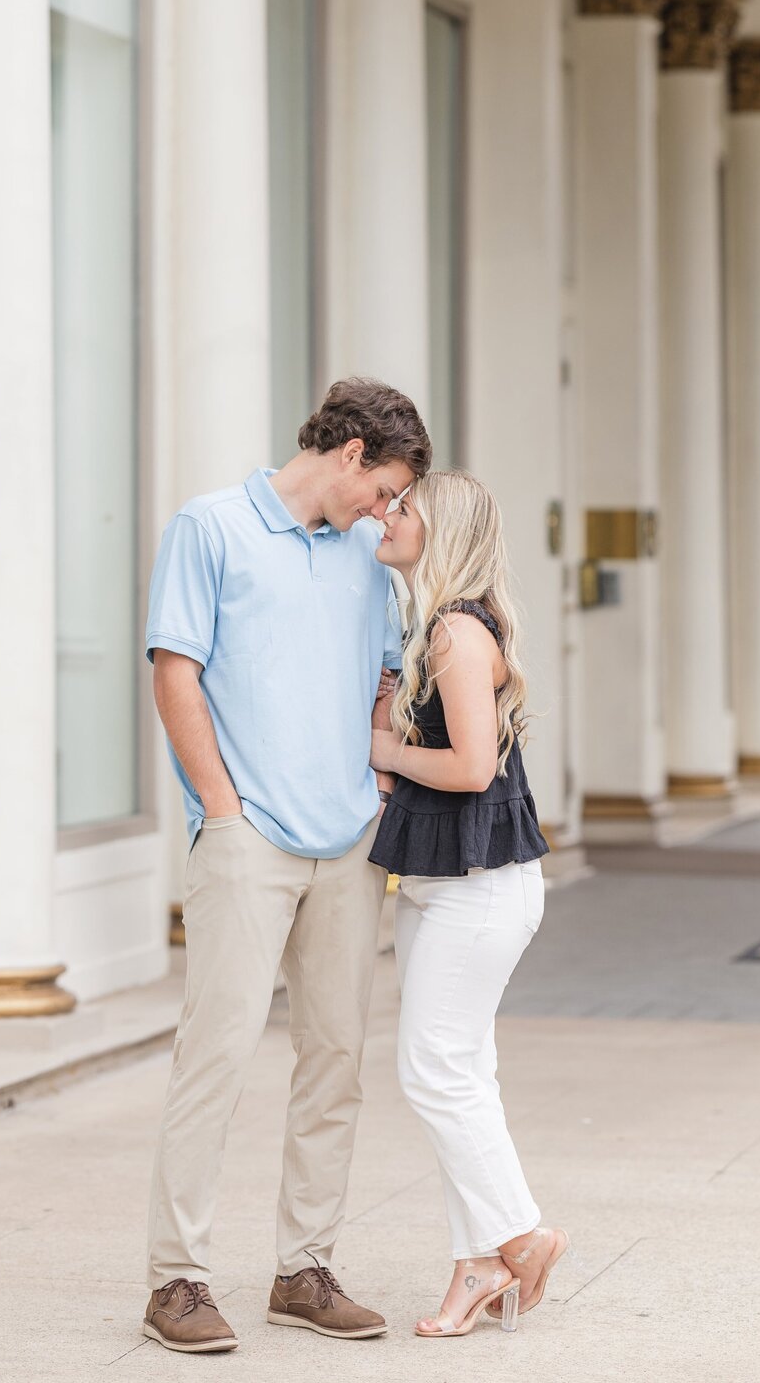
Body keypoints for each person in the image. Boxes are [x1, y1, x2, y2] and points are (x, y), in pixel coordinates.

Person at [141, 378, 430, 1355]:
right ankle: (176, 1281)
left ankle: (304, 1269)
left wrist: (378, 784)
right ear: (349, 454)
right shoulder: (209, 526)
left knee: (336, 1059)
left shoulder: (367, 560)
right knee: (215, 1055)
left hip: (348, 845)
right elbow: (174, 669)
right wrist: (222, 811)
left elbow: (386, 676)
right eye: (384, 489)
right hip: (247, 840)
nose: (385, 511)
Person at [368, 469, 570, 1338]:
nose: (386, 513)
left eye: (401, 507)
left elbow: (473, 770)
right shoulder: (437, 628)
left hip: (479, 891)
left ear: (437, 531)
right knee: (461, 1074)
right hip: (450, 884)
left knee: (432, 1070)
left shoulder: (454, 632)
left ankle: (521, 1235)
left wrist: (383, 743)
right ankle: (478, 1265)